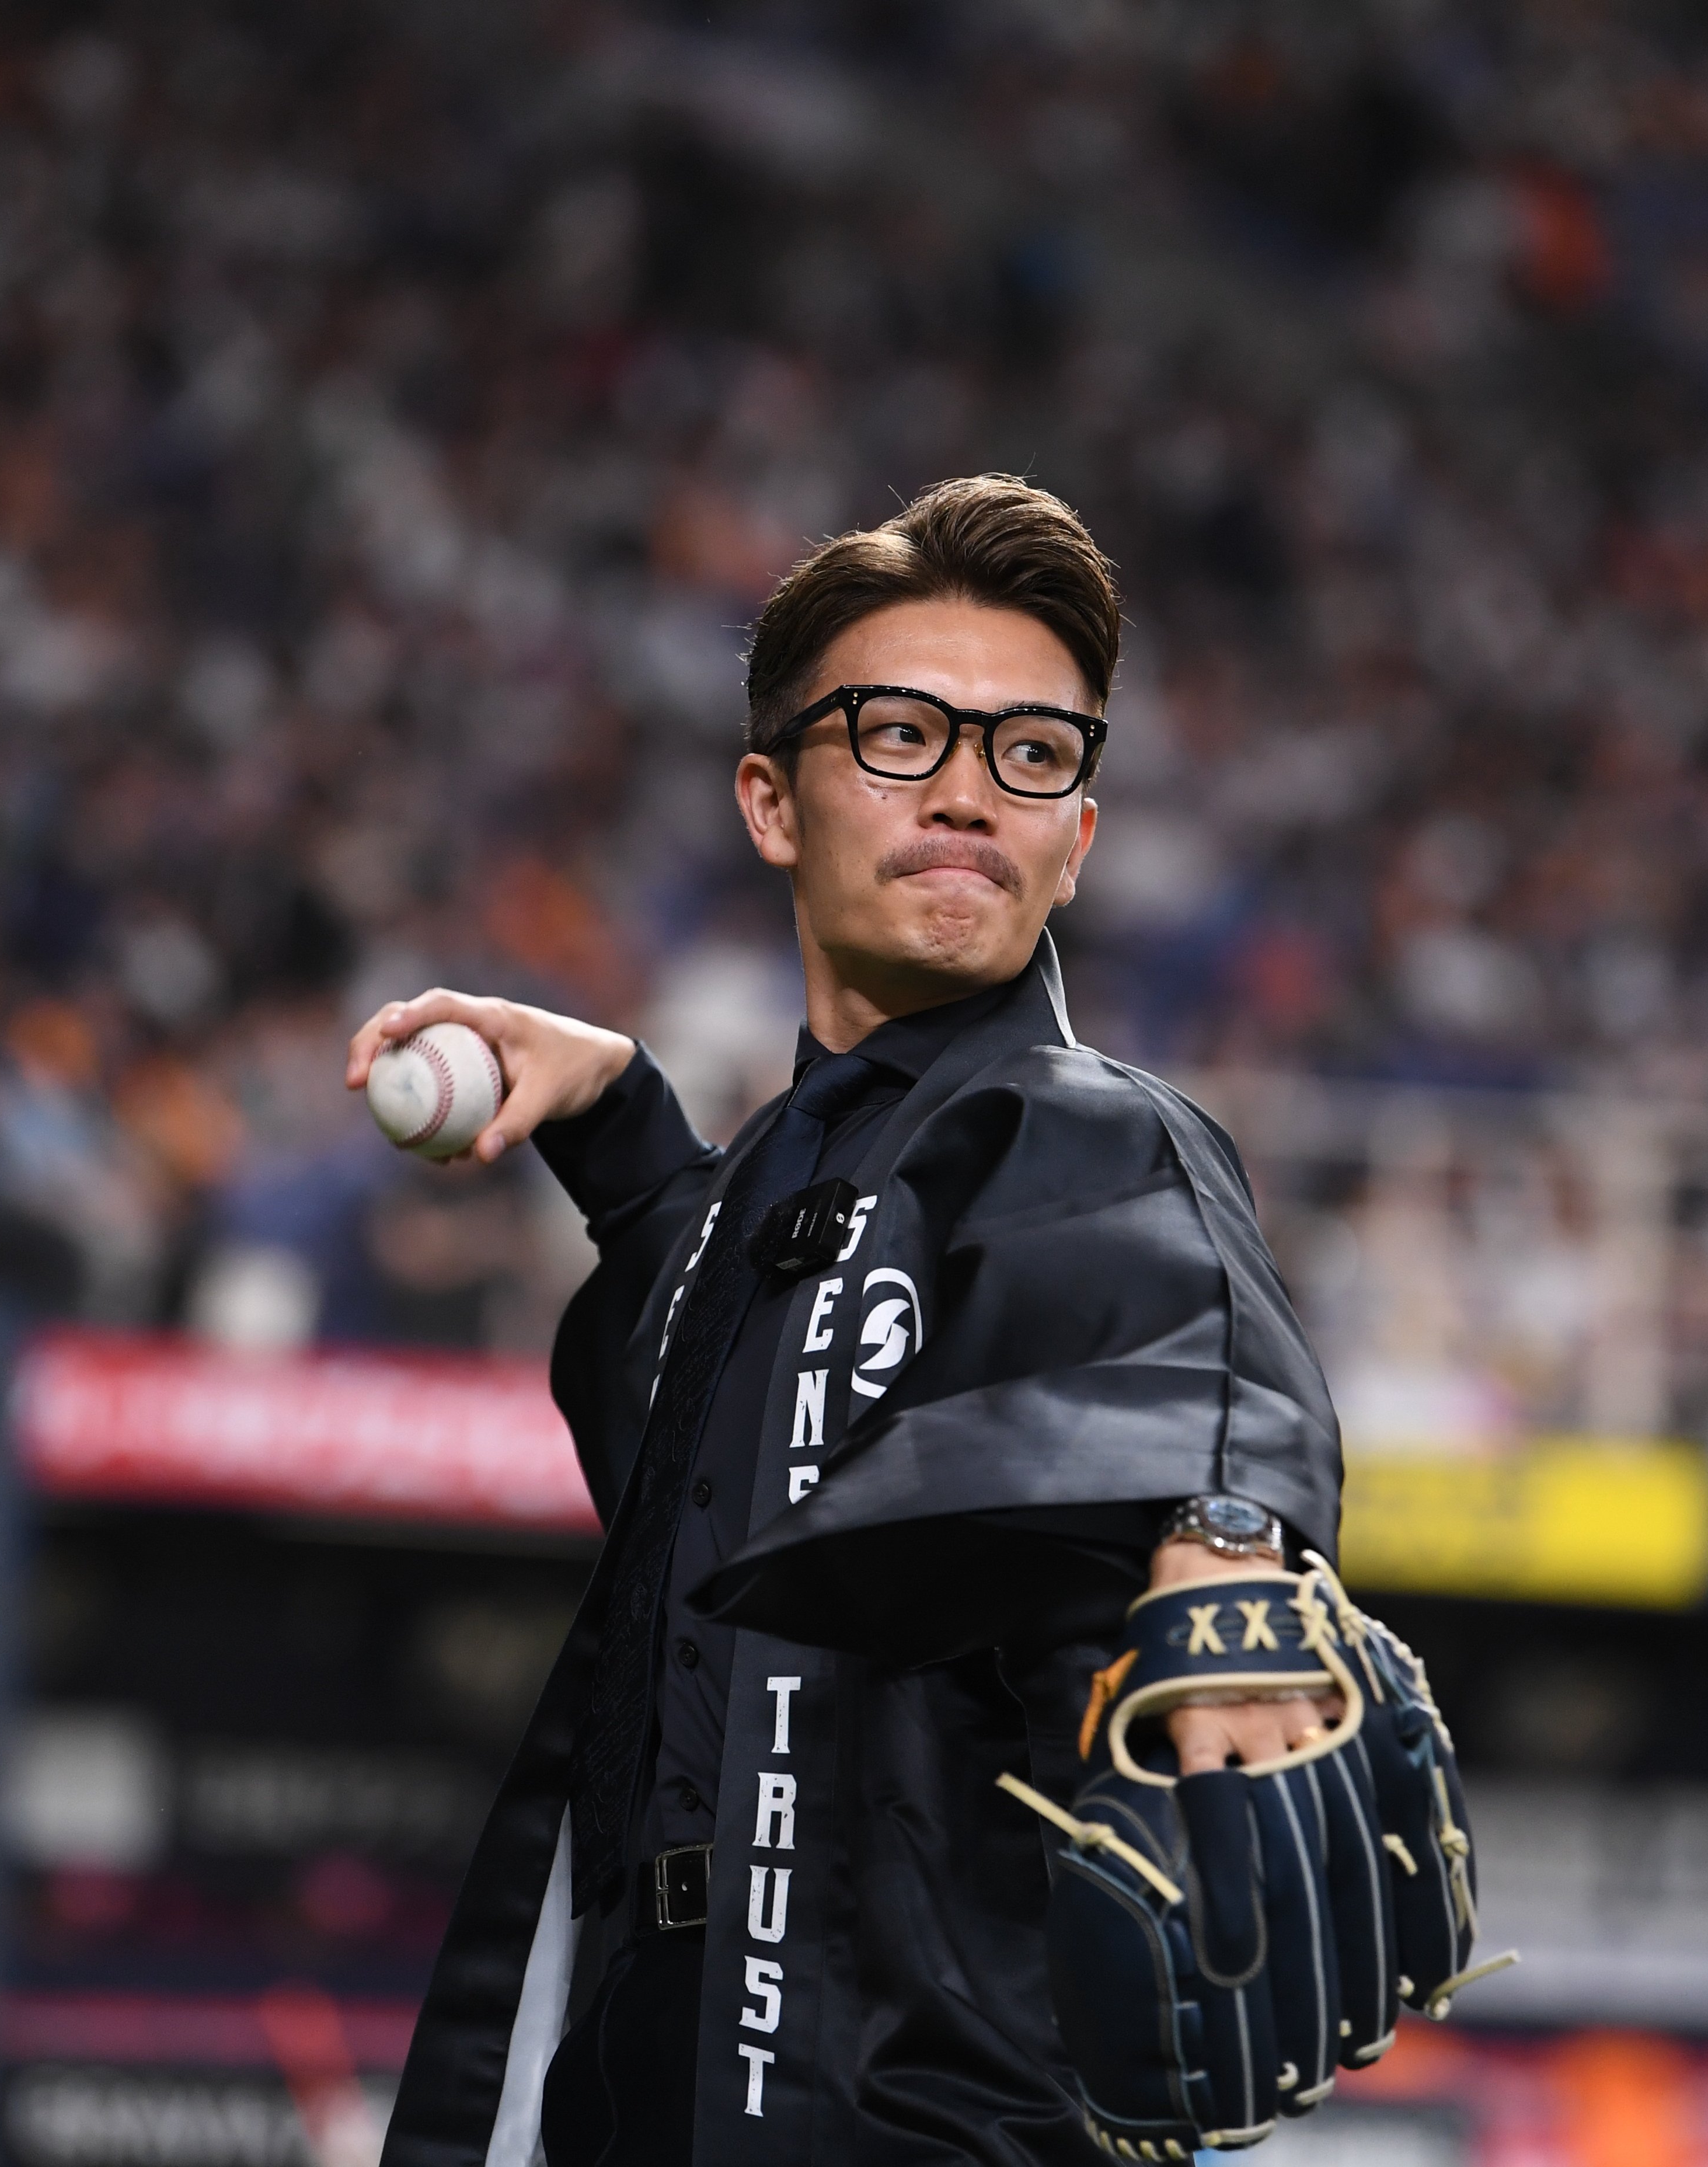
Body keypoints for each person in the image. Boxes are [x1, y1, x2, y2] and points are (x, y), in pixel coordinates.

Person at [354, 478, 1356, 2165]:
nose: (967, 791)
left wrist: (1229, 1537)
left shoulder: (1080, 1134)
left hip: (916, 2106)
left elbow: (1194, 1346)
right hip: (647, 2077)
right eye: (901, 735)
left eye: (1031, 752)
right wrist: (622, 1128)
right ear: (772, 801)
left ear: (1078, 837)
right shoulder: (750, 1209)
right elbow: (709, 1409)